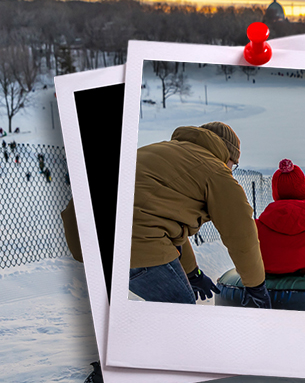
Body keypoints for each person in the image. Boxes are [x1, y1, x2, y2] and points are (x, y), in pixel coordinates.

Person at [61, 122, 271, 308]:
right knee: (181, 319)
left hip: (84, 237)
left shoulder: (165, 151)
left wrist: (193, 273)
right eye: (233, 165)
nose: (231, 170)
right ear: (228, 156)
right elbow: (241, 233)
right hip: (133, 238)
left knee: (166, 319)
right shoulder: (215, 170)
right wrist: (256, 286)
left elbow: (164, 224)